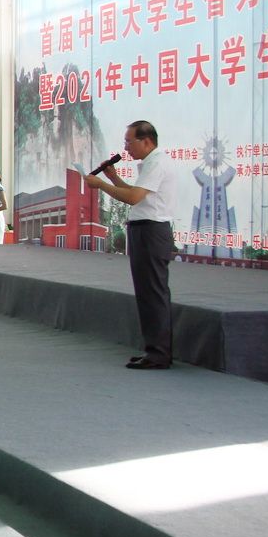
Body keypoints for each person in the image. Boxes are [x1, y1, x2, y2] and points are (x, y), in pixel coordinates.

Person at [83, 120, 176, 370]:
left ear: (146, 141)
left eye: (129, 142)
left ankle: (159, 354)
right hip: (145, 230)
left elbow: (134, 198)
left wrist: (101, 184)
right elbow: (137, 195)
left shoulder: (157, 162)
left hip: (151, 232)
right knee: (147, 293)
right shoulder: (151, 163)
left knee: (153, 293)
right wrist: (113, 178)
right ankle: (154, 350)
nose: (126, 147)